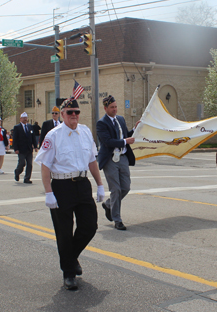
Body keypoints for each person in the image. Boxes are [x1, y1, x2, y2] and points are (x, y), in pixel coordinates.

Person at [35, 98, 105, 291]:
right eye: (70, 112)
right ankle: (69, 273)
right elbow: (45, 166)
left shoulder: (85, 132)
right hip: (61, 186)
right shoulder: (53, 135)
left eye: (76, 112)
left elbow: (92, 160)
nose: (74, 115)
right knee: (64, 232)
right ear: (63, 114)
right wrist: (49, 192)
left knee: (90, 226)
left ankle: (71, 259)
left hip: (82, 184)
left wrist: (100, 184)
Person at [97, 95, 139, 230]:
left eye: (115, 107)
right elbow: (107, 141)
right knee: (115, 189)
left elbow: (125, 134)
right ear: (105, 108)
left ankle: (108, 204)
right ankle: (117, 220)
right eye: (112, 107)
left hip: (123, 157)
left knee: (125, 187)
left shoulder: (120, 119)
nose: (115, 109)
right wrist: (125, 141)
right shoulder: (102, 123)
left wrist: (135, 129)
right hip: (110, 159)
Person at [12, 112, 38, 184]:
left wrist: (35, 146)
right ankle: (17, 172)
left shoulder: (30, 126)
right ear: (20, 119)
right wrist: (16, 148)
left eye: (26, 118)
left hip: (29, 149)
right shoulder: (17, 127)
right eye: (23, 118)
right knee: (22, 163)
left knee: (29, 164)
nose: (25, 119)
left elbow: (33, 137)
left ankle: (27, 178)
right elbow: (15, 139)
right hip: (21, 149)